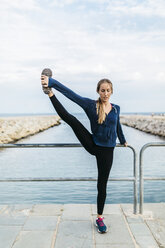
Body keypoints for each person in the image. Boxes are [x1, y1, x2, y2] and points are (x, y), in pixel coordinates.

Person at [41, 68, 127, 234]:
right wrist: (52, 82)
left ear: (112, 91)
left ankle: (99, 218)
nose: (105, 93)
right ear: (98, 91)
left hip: (108, 151)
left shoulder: (116, 108)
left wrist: (122, 140)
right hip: (93, 144)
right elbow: (72, 95)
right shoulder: (90, 105)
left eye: (108, 90)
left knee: (102, 185)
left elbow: (117, 125)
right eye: (103, 90)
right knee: (71, 119)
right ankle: (50, 93)